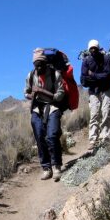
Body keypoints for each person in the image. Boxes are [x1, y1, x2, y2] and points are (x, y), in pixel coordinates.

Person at [24, 48, 66, 181]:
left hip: (52, 107)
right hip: (37, 108)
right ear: (34, 65)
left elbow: (60, 94)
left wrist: (43, 91)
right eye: (36, 65)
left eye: (41, 64)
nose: (39, 67)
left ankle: (56, 166)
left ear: (46, 62)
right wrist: (33, 94)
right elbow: (26, 92)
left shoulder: (55, 74)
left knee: (52, 135)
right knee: (39, 136)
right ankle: (46, 168)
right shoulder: (31, 76)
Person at [80, 39, 110, 152]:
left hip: (106, 88)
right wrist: (98, 77)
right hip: (94, 91)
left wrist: (92, 75)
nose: (93, 50)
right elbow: (83, 80)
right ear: (89, 50)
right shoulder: (86, 61)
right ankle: (93, 140)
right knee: (94, 114)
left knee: (106, 112)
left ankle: (105, 138)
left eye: (95, 48)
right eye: (91, 49)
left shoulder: (106, 58)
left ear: (98, 49)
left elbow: (107, 75)